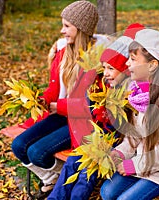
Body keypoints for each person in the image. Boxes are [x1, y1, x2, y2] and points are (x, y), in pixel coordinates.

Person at [47, 23, 145, 200]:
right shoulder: (104, 86)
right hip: (95, 137)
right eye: (104, 68)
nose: (106, 73)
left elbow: (128, 129)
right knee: (72, 162)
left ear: (124, 70)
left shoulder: (131, 92)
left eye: (111, 69)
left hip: (116, 143)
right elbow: (91, 110)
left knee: (87, 173)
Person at [11, 0, 99, 195]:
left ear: (81, 28)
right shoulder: (64, 52)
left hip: (83, 121)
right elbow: (54, 88)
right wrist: (40, 100)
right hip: (62, 114)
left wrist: (56, 106)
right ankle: (53, 178)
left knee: (36, 152)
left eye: (67, 26)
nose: (62, 31)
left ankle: (63, 180)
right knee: (18, 146)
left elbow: (90, 107)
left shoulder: (96, 60)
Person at [100, 28, 159, 200]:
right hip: (142, 163)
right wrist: (119, 153)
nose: (127, 64)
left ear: (152, 65)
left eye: (133, 59)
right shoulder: (137, 91)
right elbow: (134, 135)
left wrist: (133, 165)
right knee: (107, 192)